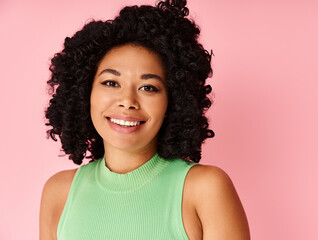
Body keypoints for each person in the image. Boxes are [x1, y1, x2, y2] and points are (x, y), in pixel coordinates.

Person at [39, 0, 250, 239]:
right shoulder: (59, 193)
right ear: (85, 92)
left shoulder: (205, 189)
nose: (127, 101)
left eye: (148, 87)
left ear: (173, 101)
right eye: (111, 83)